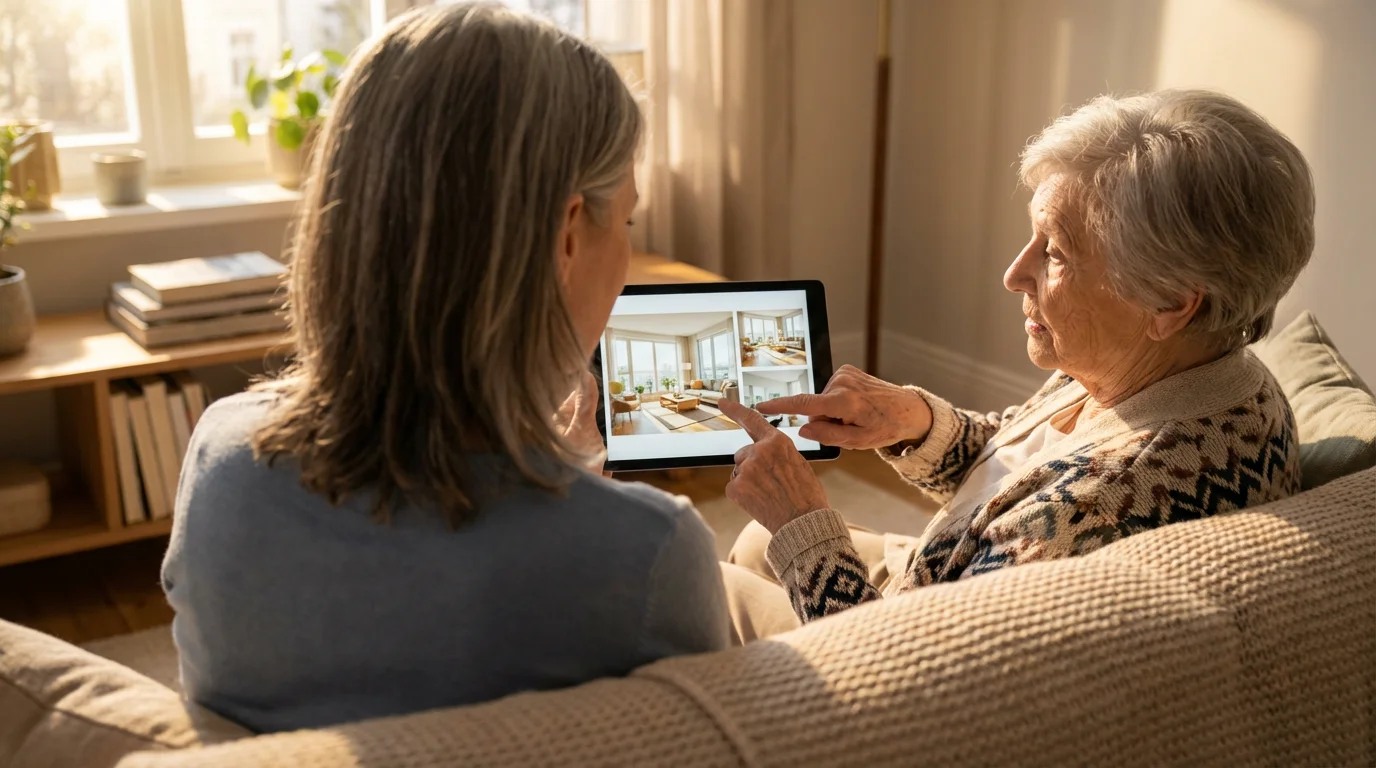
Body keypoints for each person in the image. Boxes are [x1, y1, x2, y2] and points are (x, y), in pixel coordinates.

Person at [161, 4, 728, 732]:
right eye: (627, 223)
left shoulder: (220, 464)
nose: (624, 254)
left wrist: (564, 471)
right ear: (564, 240)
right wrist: (583, 499)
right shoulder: (650, 554)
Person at [718, 89, 1312, 642]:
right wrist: (918, 424)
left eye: (1053, 251)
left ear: (1171, 302)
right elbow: (1021, 476)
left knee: (708, 582)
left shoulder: (1101, 509)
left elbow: (901, 677)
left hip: (907, 644)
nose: (1014, 274)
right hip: (942, 578)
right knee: (751, 539)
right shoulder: (1192, 368)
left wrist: (802, 521)